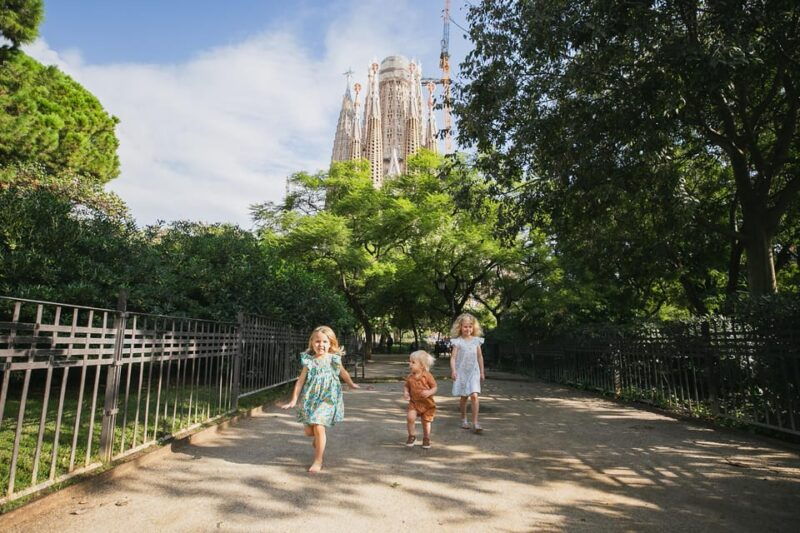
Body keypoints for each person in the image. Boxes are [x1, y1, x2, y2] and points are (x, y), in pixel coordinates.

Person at [281, 326, 360, 473]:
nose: (321, 344)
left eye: (325, 341)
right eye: (317, 341)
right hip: (310, 399)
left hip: (328, 398)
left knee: (318, 425)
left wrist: (351, 384)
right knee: (309, 432)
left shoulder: (333, 360)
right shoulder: (309, 361)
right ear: (312, 343)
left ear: (330, 344)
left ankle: (318, 460)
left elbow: (343, 373)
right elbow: (300, 381)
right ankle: (317, 439)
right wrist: (293, 400)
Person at [449, 313, 485, 433]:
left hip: (474, 372)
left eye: (470, 326)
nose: (468, 329)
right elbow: (453, 358)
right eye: (465, 326)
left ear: (473, 327)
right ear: (460, 327)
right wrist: (453, 371)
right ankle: (464, 419)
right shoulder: (457, 342)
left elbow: (480, 357)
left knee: (474, 395)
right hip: (462, 373)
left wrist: (482, 372)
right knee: (464, 397)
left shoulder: (476, 341)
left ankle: (475, 422)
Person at [403, 350, 438, 449]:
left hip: (427, 404)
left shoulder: (427, 376)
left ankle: (426, 438)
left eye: (413, 362)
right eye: (410, 361)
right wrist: (406, 392)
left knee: (426, 422)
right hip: (414, 402)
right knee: (410, 418)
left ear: (422, 366)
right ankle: (412, 436)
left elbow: (435, 387)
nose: (410, 364)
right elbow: (406, 386)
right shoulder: (410, 377)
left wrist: (429, 392)